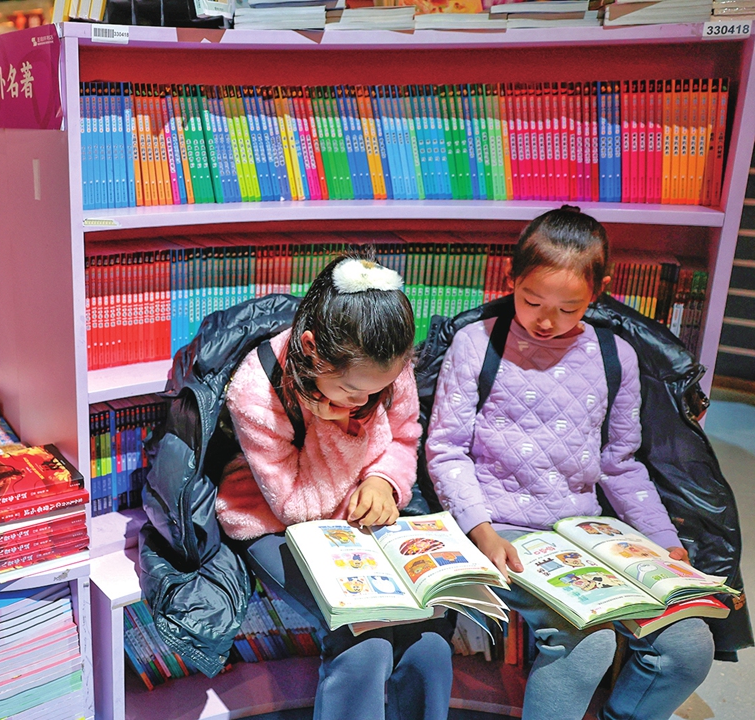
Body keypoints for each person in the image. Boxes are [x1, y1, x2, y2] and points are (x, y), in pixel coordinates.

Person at [426, 207, 715, 720]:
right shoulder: (477, 343)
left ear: (599, 292)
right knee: (587, 644)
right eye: (532, 300)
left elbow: (621, 464)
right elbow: (445, 448)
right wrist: (481, 530)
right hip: (504, 529)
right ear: (509, 278)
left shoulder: (616, 356)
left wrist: (666, 542)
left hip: (588, 532)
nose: (545, 320)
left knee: (688, 645)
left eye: (569, 307)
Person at [218, 255, 452, 720]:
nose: (364, 400)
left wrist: (385, 481)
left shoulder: (384, 365)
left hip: (360, 515)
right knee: (364, 642)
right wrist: (339, 426)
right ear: (311, 348)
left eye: (375, 390)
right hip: (274, 523)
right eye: (350, 389)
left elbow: (405, 437)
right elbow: (296, 506)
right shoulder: (255, 390)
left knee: (429, 640)